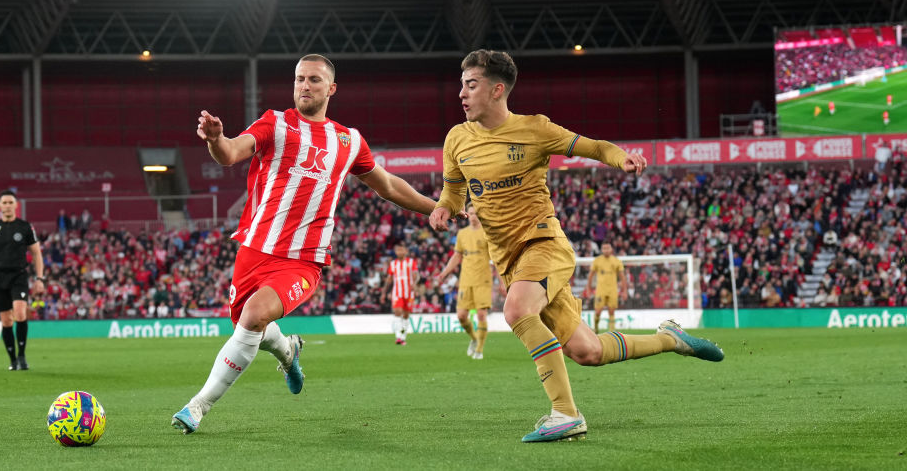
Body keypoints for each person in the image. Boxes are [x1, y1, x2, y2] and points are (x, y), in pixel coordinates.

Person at [429, 49, 723, 443]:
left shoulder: (535, 129)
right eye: (461, 85)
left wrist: (622, 159)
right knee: (587, 351)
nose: (461, 94)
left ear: (497, 90)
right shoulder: (457, 138)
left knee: (516, 310)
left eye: (471, 85)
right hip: (509, 261)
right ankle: (672, 339)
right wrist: (445, 208)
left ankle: (565, 414)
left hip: (543, 243)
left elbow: (597, 147)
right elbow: (453, 189)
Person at [172, 54, 439, 435]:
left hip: (303, 259)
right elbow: (230, 153)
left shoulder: (348, 140)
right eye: (299, 79)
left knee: (252, 317)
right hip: (254, 249)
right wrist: (216, 139)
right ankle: (288, 350)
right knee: (251, 328)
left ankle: (198, 406)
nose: (304, 86)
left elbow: (390, 186)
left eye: (314, 80)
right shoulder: (275, 123)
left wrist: (435, 208)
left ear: (331, 88)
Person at [0, 190, 44, 371]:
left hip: (18, 275)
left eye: (10, 202)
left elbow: (36, 253)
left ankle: (22, 355)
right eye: (4, 202)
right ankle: (12, 359)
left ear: (16, 205)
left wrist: (40, 278)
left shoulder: (25, 227)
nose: (7, 205)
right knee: (6, 321)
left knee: (20, 312)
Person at [436, 202, 494, 359]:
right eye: (471, 213)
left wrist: (502, 280)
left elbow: (496, 257)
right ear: (467, 215)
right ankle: (474, 339)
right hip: (466, 280)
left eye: (476, 213)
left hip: (483, 279)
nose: (473, 217)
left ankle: (480, 350)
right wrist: (445, 273)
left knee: (482, 315)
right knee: (461, 316)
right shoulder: (462, 234)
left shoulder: (487, 233)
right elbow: (457, 256)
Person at [585, 242, 627, 333]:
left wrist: (624, 291)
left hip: (612, 290)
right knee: (598, 312)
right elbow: (590, 276)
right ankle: (595, 329)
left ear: (611, 249)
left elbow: (622, 277)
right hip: (600, 290)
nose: (606, 250)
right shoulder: (597, 260)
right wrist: (588, 289)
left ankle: (611, 332)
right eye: (604, 248)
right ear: (601, 250)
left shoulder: (616, 261)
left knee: (611, 312)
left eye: (608, 248)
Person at [381, 243, 419, 345]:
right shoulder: (393, 264)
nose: (399, 252)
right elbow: (389, 279)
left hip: (409, 293)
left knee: (406, 315)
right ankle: (398, 337)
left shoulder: (411, 262)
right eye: (397, 250)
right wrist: (384, 292)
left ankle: (403, 336)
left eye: (401, 250)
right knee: (397, 312)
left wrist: (414, 284)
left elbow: (416, 275)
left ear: (406, 251)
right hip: (397, 292)